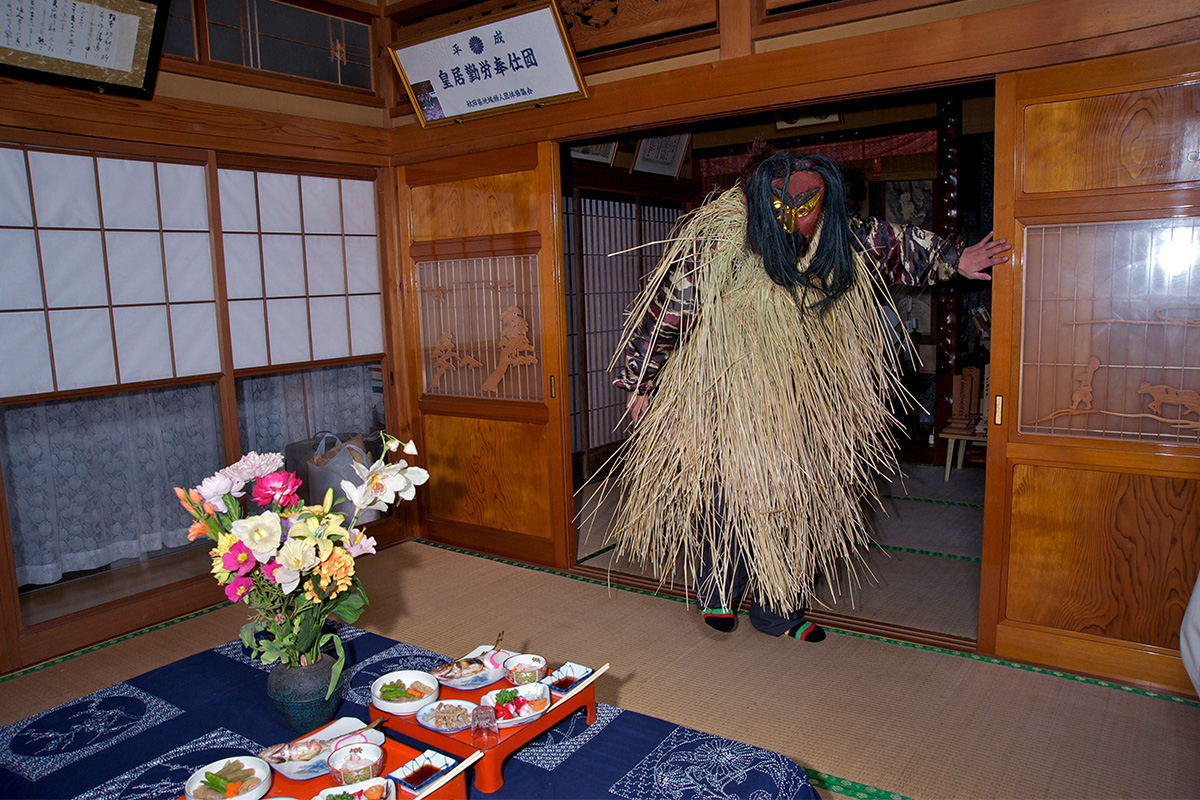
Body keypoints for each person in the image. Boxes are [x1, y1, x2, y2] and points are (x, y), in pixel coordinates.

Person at [607, 143, 1010, 642]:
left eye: (805, 205)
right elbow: (667, 312)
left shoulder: (834, 232)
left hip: (805, 398)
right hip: (730, 394)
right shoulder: (716, 244)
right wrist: (640, 382)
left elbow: (892, 244)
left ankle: (780, 607)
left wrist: (955, 257)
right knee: (728, 494)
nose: (795, 218)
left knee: (800, 495)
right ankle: (719, 590)